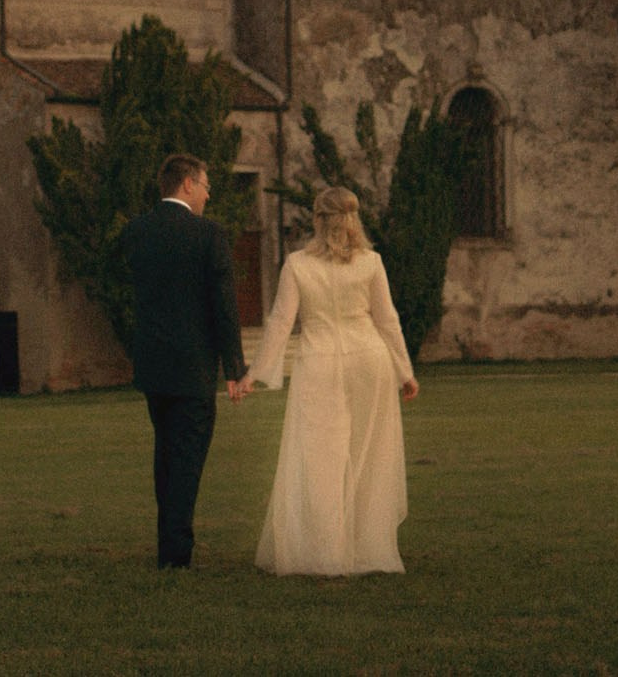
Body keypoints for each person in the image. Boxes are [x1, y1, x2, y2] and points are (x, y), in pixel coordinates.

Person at [238, 186, 419, 575]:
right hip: (369, 361)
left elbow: (281, 322)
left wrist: (255, 373)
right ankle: (365, 548)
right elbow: (387, 320)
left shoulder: (299, 265)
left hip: (320, 363)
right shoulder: (371, 263)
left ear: (318, 220)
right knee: (368, 455)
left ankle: (326, 551)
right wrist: (405, 371)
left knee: (320, 458)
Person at [123, 152, 248, 569]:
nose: (209, 195)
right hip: (193, 367)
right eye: (207, 185)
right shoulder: (208, 236)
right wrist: (234, 368)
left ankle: (169, 543)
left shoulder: (137, 232)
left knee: (166, 455)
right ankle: (175, 553)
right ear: (188, 184)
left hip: (154, 366)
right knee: (187, 459)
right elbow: (224, 307)